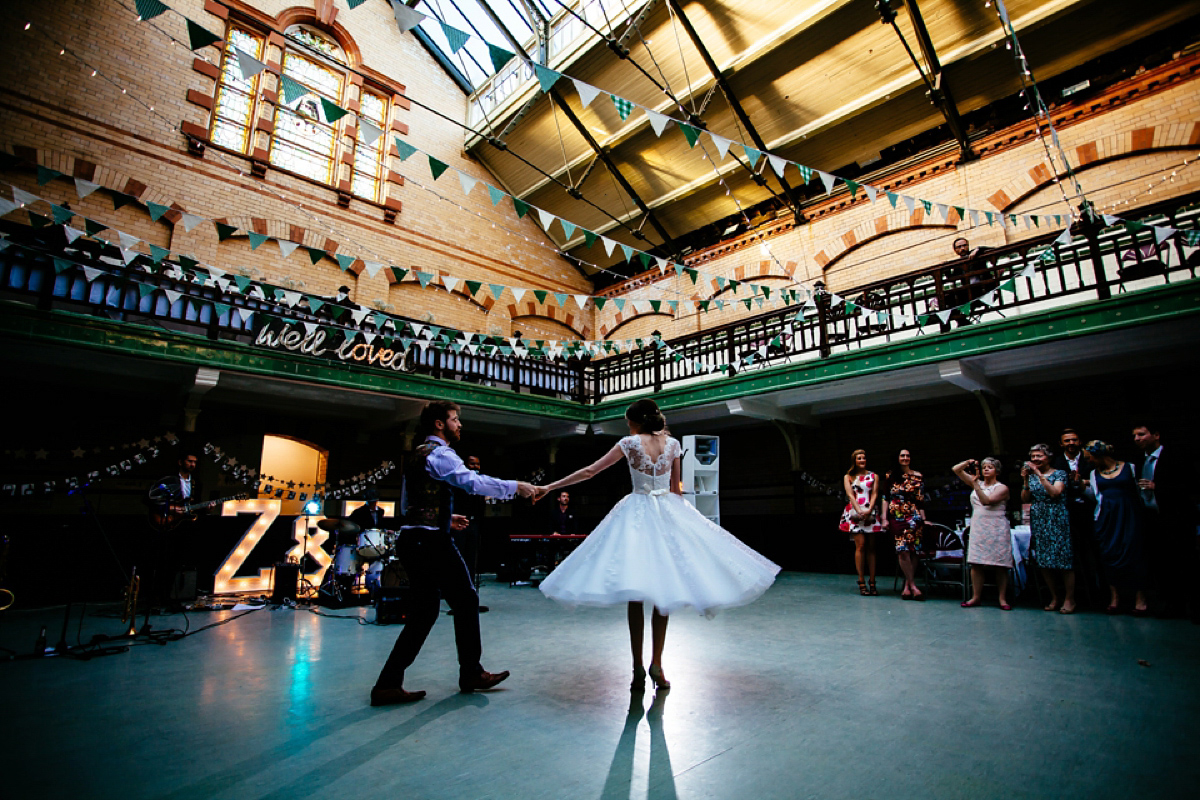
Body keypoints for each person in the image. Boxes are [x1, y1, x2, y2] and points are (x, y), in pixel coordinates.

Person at [534, 399, 780, 692]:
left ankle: (638, 668)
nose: (628, 426)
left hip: (636, 515)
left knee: (635, 596)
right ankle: (657, 665)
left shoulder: (629, 443)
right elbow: (676, 490)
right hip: (667, 514)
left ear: (636, 422)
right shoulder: (673, 445)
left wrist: (548, 487)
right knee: (664, 592)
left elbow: (589, 472)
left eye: (629, 421)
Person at [370, 400, 537, 707]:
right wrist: (517, 487)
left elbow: (412, 504)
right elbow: (471, 483)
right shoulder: (442, 454)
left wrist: (446, 519)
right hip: (431, 542)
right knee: (466, 600)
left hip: (414, 538)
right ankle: (471, 673)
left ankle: (387, 684)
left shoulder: (417, 455)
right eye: (455, 419)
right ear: (439, 424)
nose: (460, 425)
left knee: (424, 614)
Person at [1132, 422, 1196, 619]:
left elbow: (1190, 486)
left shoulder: (1175, 456)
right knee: (1163, 565)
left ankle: (1194, 606)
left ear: (1156, 435)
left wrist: (1156, 486)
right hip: (1152, 519)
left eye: (1141, 434)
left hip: (1176, 519)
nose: (1137, 439)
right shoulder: (1139, 460)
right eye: (1134, 436)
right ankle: (1172, 605)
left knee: (1186, 563)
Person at [1083, 440, 1149, 615]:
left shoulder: (1130, 468)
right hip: (1107, 517)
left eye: (1090, 458)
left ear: (1099, 455)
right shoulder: (1094, 473)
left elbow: (1139, 492)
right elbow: (1095, 496)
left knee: (1134, 553)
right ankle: (1115, 596)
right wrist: (1082, 488)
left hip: (1129, 515)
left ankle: (1140, 597)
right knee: (1109, 554)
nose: (1088, 461)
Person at [952, 458, 1013, 610]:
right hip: (979, 526)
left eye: (990, 467)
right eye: (984, 467)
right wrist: (968, 463)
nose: (986, 469)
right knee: (976, 562)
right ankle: (976, 596)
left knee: (1000, 564)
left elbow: (987, 501)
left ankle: (1002, 598)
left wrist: (975, 485)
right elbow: (956, 469)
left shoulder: (1002, 488)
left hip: (996, 527)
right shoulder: (976, 483)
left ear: (997, 471)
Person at [1022, 444, 1075, 613]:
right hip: (1039, 519)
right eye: (1033, 456)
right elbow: (1025, 498)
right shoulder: (1031, 477)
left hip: (1057, 517)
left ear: (1049, 457)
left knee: (1064, 560)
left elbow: (1055, 493)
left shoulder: (1059, 474)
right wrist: (1025, 480)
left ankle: (1069, 599)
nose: (1035, 459)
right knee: (1044, 561)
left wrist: (1039, 475)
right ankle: (1055, 596)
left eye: (1039, 456)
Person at [1052, 429, 1101, 607]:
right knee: (1072, 555)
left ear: (1079, 442)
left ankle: (1099, 593)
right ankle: (1077, 594)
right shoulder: (1056, 463)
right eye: (1067, 441)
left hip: (1090, 510)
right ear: (1061, 444)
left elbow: (1100, 477)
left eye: (1074, 440)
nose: (1071, 443)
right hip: (1068, 512)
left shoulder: (1090, 459)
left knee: (1095, 552)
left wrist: (1084, 482)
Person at [838, 450, 883, 596]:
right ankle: (861, 580)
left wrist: (869, 509)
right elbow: (850, 494)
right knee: (860, 545)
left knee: (872, 547)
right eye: (859, 458)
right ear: (854, 461)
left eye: (864, 457)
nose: (862, 460)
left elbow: (875, 493)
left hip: (870, 510)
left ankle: (872, 581)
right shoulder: (848, 476)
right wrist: (858, 510)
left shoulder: (873, 475)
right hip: (855, 511)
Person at [884, 449, 926, 600]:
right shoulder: (891, 475)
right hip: (896, 515)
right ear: (897, 458)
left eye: (908, 455)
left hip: (914, 516)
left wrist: (924, 518)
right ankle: (913, 585)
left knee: (913, 550)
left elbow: (920, 500)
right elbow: (885, 497)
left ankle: (908, 586)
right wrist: (884, 518)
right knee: (902, 550)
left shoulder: (918, 476)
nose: (905, 458)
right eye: (902, 456)